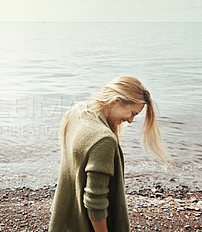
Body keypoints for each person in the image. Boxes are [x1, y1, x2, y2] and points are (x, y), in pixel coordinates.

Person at [48, 76, 173, 232]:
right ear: (117, 100)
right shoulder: (103, 140)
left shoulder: (77, 111)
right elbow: (95, 202)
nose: (130, 120)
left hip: (63, 219)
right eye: (132, 113)